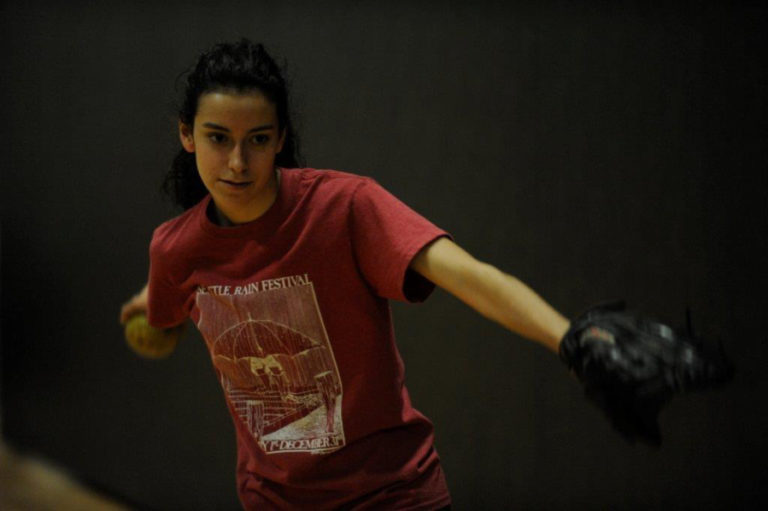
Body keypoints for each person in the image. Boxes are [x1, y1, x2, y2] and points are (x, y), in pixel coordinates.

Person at [119, 38, 570, 510]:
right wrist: (156, 296)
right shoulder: (175, 250)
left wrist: (571, 338)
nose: (237, 162)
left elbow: (470, 276)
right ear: (187, 135)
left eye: (257, 139)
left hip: (392, 493)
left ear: (280, 138)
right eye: (218, 138)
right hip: (273, 500)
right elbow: (180, 296)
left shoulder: (343, 207)